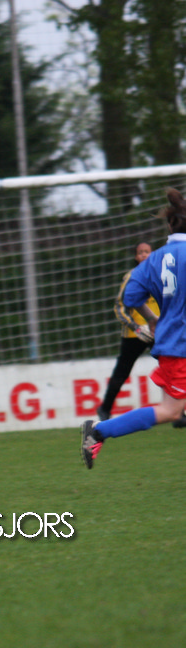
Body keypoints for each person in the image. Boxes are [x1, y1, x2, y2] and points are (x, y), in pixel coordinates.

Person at [82, 187, 186, 469]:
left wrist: (152, 318)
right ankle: (99, 431)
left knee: (173, 409)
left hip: (171, 341)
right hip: (181, 346)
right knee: (170, 411)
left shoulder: (154, 259)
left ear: (169, 225)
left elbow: (131, 297)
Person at [97, 242, 159, 420]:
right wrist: (135, 327)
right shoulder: (131, 276)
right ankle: (105, 409)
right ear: (135, 257)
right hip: (135, 334)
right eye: (140, 252)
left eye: (147, 252)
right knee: (122, 371)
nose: (144, 255)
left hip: (158, 331)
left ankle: (178, 413)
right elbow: (120, 306)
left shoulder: (161, 275)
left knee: (172, 369)